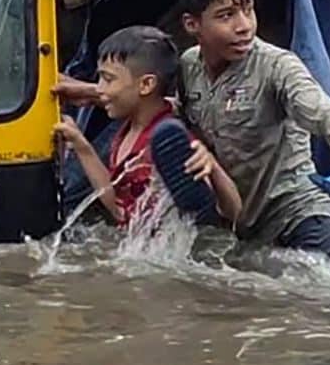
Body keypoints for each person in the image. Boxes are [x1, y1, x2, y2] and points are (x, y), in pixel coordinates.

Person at [56, 0, 330, 267]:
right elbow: (157, 104)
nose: (244, 26)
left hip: (296, 213)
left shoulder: (277, 66)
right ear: (192, 24)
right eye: (226, 16)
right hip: (238, 226)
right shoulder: (189, 66)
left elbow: (322, 112)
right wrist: (89, 93)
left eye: (248, 9)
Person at [54, 26, 242, 228]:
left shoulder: (171, 142)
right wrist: (80, 145)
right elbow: (119, 210)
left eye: (108, 79)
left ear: (146, 85)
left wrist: (212, 167)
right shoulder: (126, 131)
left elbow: (233, 211)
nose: (99, 89)